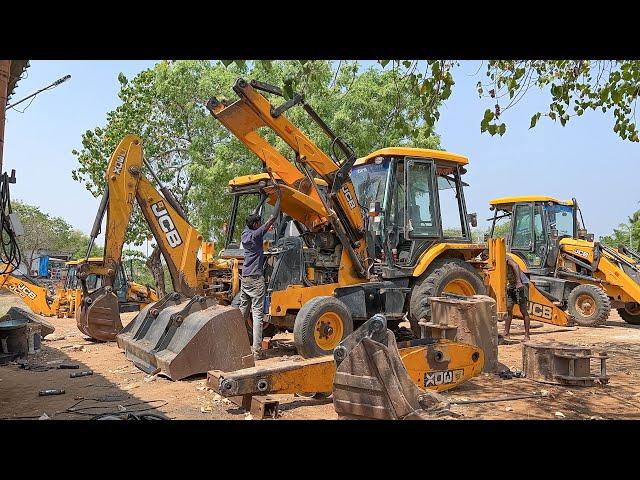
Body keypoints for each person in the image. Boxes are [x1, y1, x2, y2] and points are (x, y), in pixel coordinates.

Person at [239, 187, 282, 360]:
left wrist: (263, 199)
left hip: (245, 279)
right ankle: (256, 351)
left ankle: (235, 343)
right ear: (256, 225)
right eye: (258, 222)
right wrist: (280, 197)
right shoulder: (257, 234)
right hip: (256, 279)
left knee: (242, 312)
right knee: (257, 314)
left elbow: (252, 215)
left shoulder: (245, 233)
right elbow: (273, 218)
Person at [504, 256, 532, 341]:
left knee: (523, 310)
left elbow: (516, 266)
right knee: (509, 308)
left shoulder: (505, 258)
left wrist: (518, 282)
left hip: (521, 283)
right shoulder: (495, 260)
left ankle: (527, 335)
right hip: (512, 284)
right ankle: (506, 333)